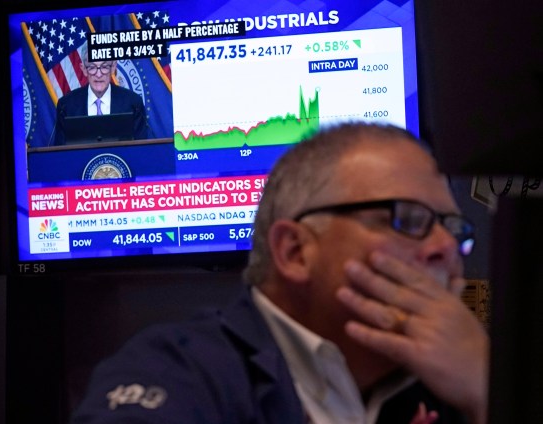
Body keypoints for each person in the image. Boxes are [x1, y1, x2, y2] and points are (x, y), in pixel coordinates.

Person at [70, 122, 489, 424]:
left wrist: (492, 394)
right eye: (407, 219)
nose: (445, 248)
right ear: (295, 251)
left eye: (455, 229)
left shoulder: (461, 378)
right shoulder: (178, 372)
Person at [51, 56, 148, 146]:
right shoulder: (67, 106)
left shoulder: (133, 104)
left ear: (113, 67)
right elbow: (60, 155)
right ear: (84, 69)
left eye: (105, 67)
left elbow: (141, 151)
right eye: (92, 67)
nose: (98, 74)